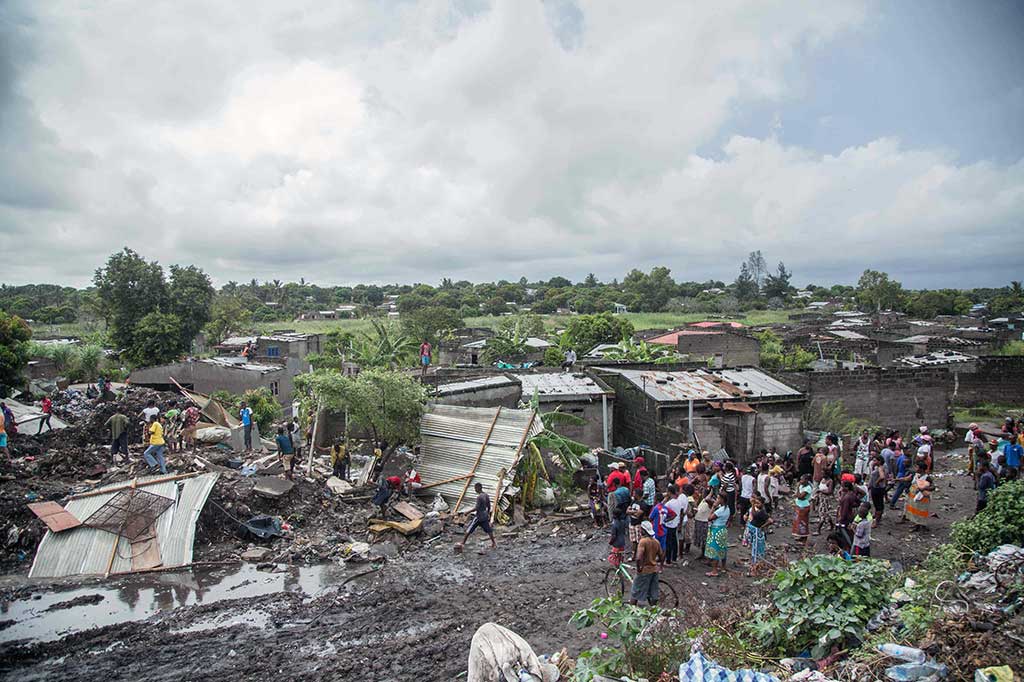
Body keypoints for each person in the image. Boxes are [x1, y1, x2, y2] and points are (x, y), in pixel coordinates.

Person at [629, 520, 664, 606]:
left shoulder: (643, 541)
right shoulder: (656, 542)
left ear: (643, 530)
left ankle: (631, 611)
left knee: (635, 592)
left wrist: (639, 568)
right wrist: (660, 566)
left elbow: (638, 557)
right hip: (654, 570)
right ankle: (653, 612)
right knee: (653, 592)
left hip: (645, 570)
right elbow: (661, 555)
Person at [458, 483, 497, 550]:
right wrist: (487, 514)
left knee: (469, 529)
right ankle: (494, 543)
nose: (475, 489)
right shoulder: (486, 495)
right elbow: (489, 506)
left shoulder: (479, 497)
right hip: (484, 515)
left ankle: (462, 543)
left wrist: (467, 512)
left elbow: (477, 507)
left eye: (475, 488)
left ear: (478, 488)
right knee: (488, 530)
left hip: (479, 516)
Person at [704, 493, 730, 577]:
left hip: (716, 529)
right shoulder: (727, 509)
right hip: (722, 529)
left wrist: (713, 507)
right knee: (722, 548)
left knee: (715, 549)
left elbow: (709, 518)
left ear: (722, 500)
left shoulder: (720, 510)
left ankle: (714, 570)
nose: (716, 500)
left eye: (718, 498)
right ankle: (723, 566)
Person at [747, 495, 772, 576]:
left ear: (762, 504)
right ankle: (754, 568)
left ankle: (755, 570)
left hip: (758, 532)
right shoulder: (759, 510)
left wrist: (762, 526)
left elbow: (770, 521)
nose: (756, 504)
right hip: (755, 531)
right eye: (756, 503)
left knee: (756, 551)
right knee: (754, 550)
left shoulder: (762, 512)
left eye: (758, 503)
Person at [903, 464, 932, 532]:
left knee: (922, 511)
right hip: (914, 496)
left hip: (922, 498)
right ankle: (917, 524)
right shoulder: (916, 475)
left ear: (921, 469)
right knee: (915, 511)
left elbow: (933, 487)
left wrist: (923, 488)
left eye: (917, 467)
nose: (915, 468)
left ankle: (922, 525)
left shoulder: (927, 477)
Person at [665, 484, 687, 562]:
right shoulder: (678, 502)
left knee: (668, 543)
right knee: (674, 541)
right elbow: (681, 512)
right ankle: (674, 557)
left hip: (669, 524)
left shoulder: (669, 503)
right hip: (675, 524)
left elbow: (663, 510)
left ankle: (668, 559)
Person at [835, 480, 859, 550]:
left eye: (842, 487)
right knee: (849, 532)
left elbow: (844, 509)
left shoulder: (847, 497)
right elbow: (858, 502)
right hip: (850, 515)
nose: (841, 488)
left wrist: (841, 518)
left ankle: (848, 547)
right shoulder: (852, 494)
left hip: (845, 517)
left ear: (847, 488)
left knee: (844, 533)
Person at [791, 474, 813, 548]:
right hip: (799, 506)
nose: (800, 481)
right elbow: (798, 495)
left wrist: (797, 489)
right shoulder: (802, 486)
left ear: (807, 480)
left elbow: (800, 497)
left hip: (804, 506)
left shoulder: (808, 488)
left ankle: (804, 539)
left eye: (802, 480)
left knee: (803, 523)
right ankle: (800, 536)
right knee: (798, 522)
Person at [868, 455, 887, 526]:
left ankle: (876, 521)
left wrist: (876, 482)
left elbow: (882, 477)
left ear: (879, 461)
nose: (873, 462)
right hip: (880, 488)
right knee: (879, 504)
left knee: (878, 505)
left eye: (875, 460)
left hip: (877, 488)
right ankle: (877, 518)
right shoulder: (882, 467)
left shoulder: (880, 468)